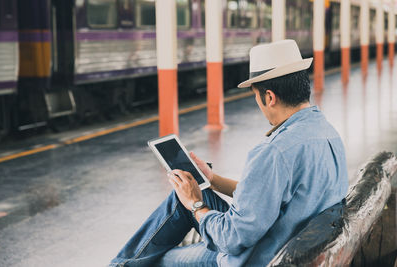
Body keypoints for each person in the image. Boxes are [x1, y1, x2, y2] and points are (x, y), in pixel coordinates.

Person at [108, 40, 349, 267]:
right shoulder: (326, 132)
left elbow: (233, 239)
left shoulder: (274, 151)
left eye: (256, 96)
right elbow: (270, 195)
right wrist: (212, 181)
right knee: (188, 192)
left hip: (256, 256)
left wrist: (195, 205)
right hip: (287, 241)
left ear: (270, 97)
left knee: (159, 259)